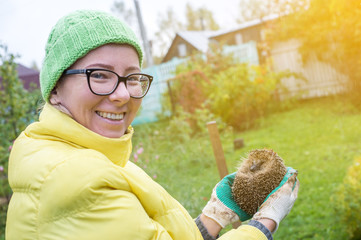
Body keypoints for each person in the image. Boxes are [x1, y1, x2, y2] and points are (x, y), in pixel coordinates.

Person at [5, 10, 299, 240]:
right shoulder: (78, 182)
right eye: (100, 75)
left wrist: (215, 215)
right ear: (55, 88)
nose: (122, 95)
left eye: (132, 78)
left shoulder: (94, 157)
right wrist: (265, 222)